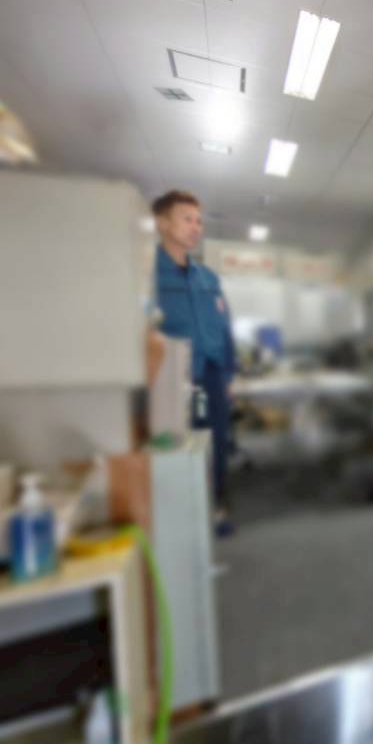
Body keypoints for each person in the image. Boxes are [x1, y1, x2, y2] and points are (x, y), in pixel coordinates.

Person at [152, 189, 237, 537]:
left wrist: (229, 375)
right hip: (170, 378)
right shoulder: (148, 275)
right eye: (187, 219)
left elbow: (225, 328)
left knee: (216, 446)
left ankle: (217, 507)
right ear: (162, 223)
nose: (196, 227)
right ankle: (181, 519)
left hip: (212, 374)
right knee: (176, 447)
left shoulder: (208, 279)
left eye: (199, 221)